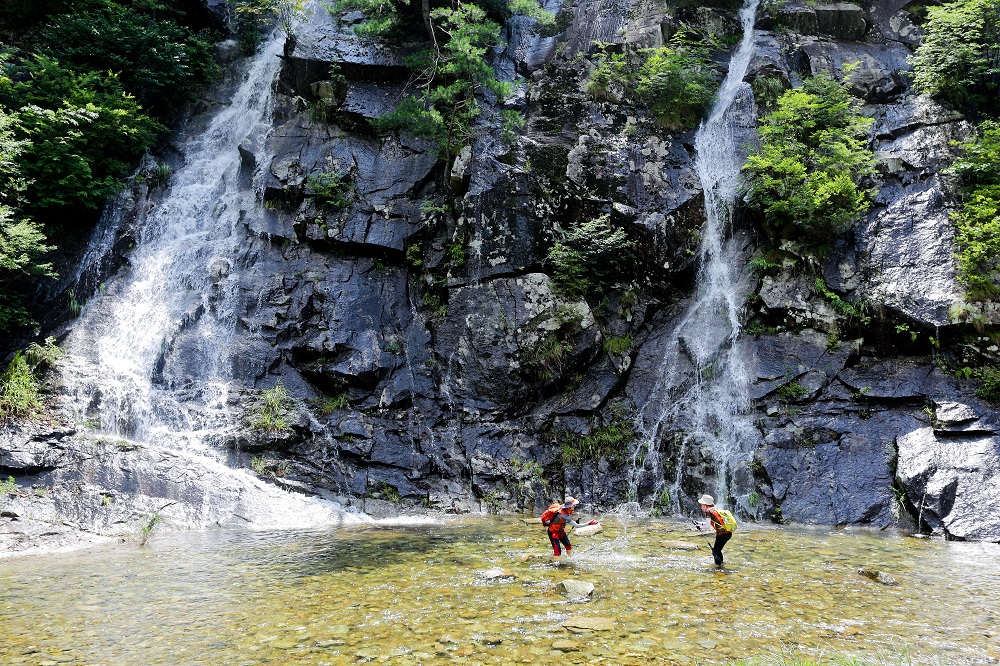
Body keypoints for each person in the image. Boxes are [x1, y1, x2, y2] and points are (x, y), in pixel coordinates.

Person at [699, 493, 733, 567]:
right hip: (728, 533)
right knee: (717, 550)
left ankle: (719, 568)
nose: (701, 506)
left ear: (705, 504)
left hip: (722, 534)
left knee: (716, 551)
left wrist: (700, 527)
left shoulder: (708, 511)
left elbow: (707, 526)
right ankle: (720, 565)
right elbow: (708, 523)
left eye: (701, 504)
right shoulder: (715, 508)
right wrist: (699, 524)